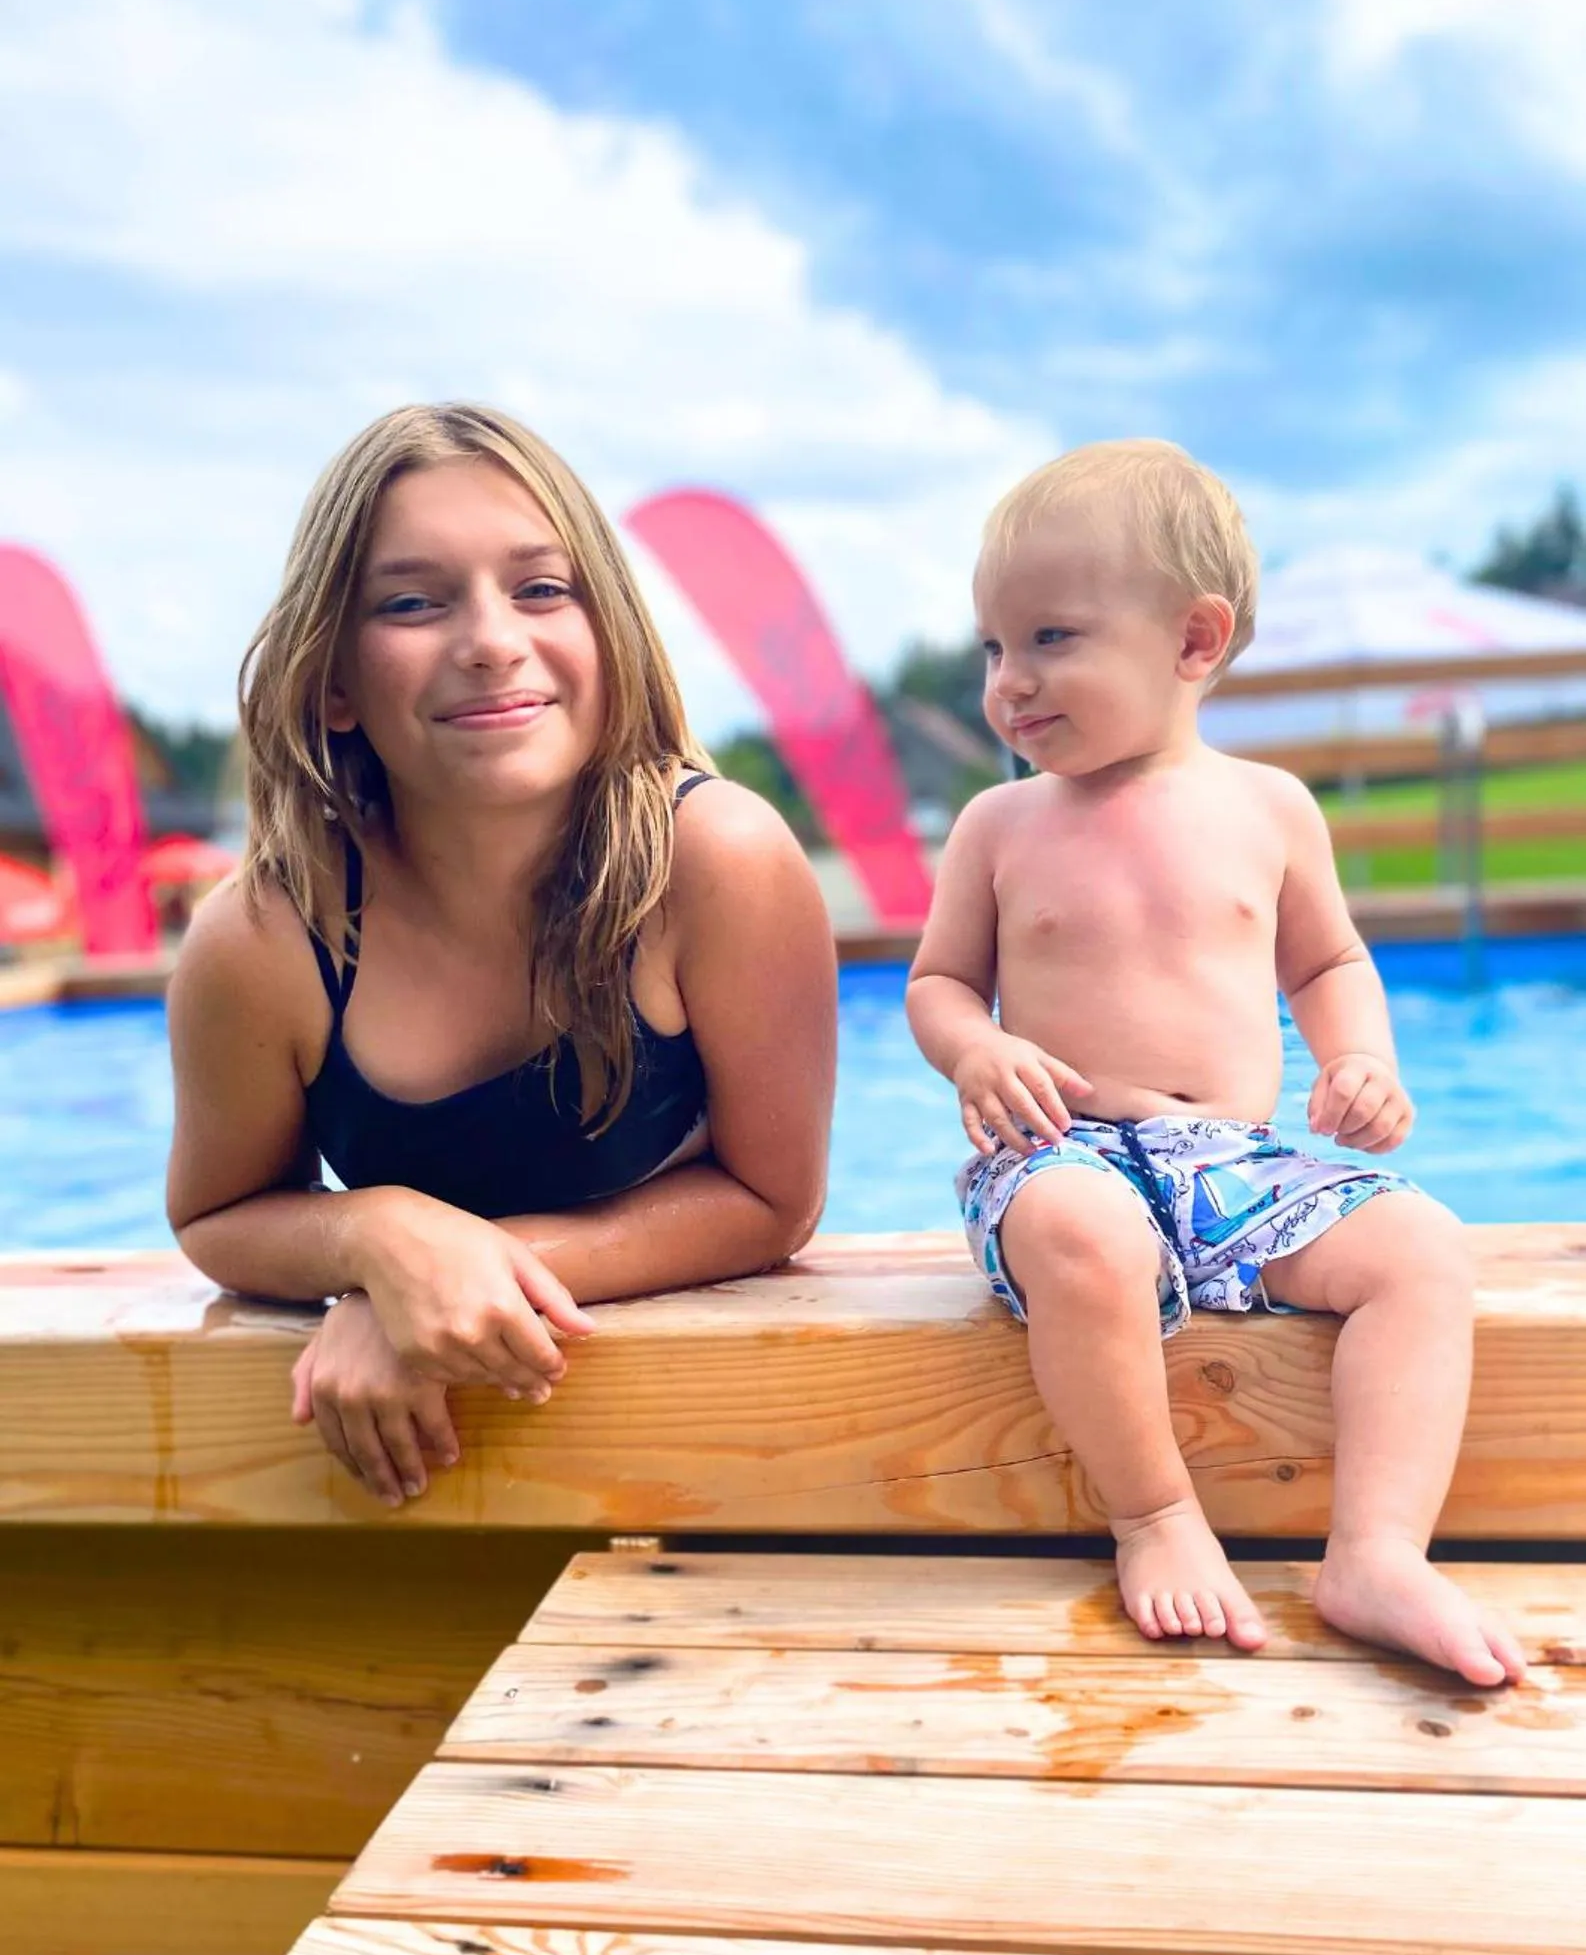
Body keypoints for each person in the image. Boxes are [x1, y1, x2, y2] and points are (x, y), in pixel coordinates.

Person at [906, 439, 1526, 1688]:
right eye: (992, 647)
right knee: (1085, 1234)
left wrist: (1358, 1060)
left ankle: (1376, 1551)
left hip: (1237, 1163)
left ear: (1192, 642)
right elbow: (934, 984)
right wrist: (976, 1049)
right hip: (1062, 1146)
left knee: (1420, 1253)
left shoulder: (1268, 807)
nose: (1008, 682)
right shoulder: (997, 824)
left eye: (1050, 639)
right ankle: (1154, 1513)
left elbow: (1330, 965)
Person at [168, 403, 835, 1506]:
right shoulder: (265, 938)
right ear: (333, 678)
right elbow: (214, 1217)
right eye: (412, 603)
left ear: (606, 631)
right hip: (404, 1489)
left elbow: (774, 1199)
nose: (488, 640)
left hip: (706, 1455)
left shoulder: (713, 864)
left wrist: (431, 1280)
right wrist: (374, 1231)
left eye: (539, 588)